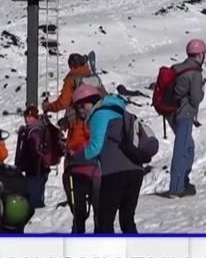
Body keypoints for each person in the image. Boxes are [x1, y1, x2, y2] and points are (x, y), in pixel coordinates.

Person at [83, 94, 157, 234]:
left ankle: (107, 254)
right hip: (136, 170)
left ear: (95, 104)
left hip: (115, 172)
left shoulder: (100, 114)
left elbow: (95, 147)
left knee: (105, 220)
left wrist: (81, 154)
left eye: (83, 105)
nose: (82, 110)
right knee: (127, 219)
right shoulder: (124, 114)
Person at [167, 39, 206, 199]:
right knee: (182, 149)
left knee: (188, 147)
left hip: (172, 113)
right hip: (185, 114)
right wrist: (202, 89)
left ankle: (183, 181)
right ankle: (176, 188)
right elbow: (196, 99)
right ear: (200, 54)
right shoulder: (195, 73)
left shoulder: (178, 68)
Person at [62, 84, 103, 233]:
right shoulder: (97, 120)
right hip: (89, 170)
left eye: (82, 106)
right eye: (78, 106)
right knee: (91, 213)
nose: (80, 109)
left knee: (84, 213)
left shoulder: (86, 122)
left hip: (82, 169)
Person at [42, 53, 105, 118]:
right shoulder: (94, 77)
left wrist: (48, 107)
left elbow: (64, 102)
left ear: (71, 66)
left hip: (78, 119)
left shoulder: (71, 79)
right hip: (97, 117)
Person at [14, 105, 50, 209]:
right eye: (26, 117)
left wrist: (22, 164)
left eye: (29, 117)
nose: (26, 119)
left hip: (35, 169)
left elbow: (34, 152)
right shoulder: (30, 130)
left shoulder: (35, 132)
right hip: (36, 168)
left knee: (33, 198)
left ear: (35, 117)